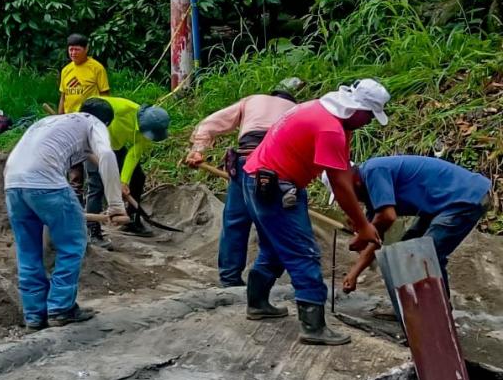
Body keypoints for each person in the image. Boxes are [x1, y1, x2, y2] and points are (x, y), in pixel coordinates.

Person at [241, 78, 391, 346]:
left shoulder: (323, 111)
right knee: (304, 252)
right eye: (369, 115)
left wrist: (356, 217)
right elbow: (340, 183)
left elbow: (342, 170)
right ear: (357, 109)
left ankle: (258, 304)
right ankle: (313, 327)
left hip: (259, 179)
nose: (369, 121)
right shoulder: (330, 128)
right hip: (274, 187)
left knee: (274, 249)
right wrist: (363, 225)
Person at [4, 100, 127, 331]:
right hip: (46, 184)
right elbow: (107, 156)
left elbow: (85, 154)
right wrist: (116, 206)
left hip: (12, 184)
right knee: (72, 243)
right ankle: (61, 308)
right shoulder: (94, 123)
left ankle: (34, 315)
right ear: (106, 122)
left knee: (28, 250)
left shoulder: (50, 122)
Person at [185, 80, 301, 287]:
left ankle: (229, 280)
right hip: (273, 166)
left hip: (244, 162)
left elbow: (210, 123)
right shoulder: (297, 110)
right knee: (271, 224)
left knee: (234, 222)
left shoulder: (252, 101)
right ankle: (263, 283)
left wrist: (197, 150)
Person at [337, 156, 492, 296]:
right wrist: (353, 274)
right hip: (442, 204)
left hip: (464, 196)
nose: (353, 202)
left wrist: (361, 236)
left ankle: (436, 312)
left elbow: (387, 217)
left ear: (353, 183)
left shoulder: (374, 171)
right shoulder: (370, 194)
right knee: (406, 250)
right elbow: (375, 238)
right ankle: (414, 305)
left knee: (425, 254)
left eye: (348, 196)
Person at [84, 96, 170, 246]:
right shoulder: (121, 110)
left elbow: (134, 153)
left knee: (138, 177)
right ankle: (93, 231)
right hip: (95, 144)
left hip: (116, 146)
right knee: (97, 185)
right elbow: (90, 110)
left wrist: (124, 181)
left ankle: (131, 220)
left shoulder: (146, 130)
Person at [58, 33, 111, 205]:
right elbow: (63, 97)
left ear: (86, 49)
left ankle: (95, 203)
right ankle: (77, 205)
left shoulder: (96, 68)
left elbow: (105, 96)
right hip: (70, 124)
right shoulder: (66, 70)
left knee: (93, 167)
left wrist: (105, 120)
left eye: (77, 49)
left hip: (91, 124)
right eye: (70, 49)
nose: (73, 53)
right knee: (74, 168)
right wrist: (59, 119)